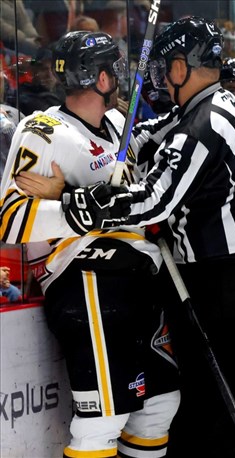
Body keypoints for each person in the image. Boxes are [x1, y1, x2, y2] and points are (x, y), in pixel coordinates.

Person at [40, 17, 235, 456]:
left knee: (228, 411)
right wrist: (105, 149)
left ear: (180, 67)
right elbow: (143, 136)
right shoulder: (211, 104)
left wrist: (74, 200)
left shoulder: (203, 125)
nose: (159, 78)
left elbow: (154, 200)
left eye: (164, 67)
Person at [0, 30, 180, 457]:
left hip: (138, 278)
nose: (119, 76)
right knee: (102, 421)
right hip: (87, 280)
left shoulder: (118, 123)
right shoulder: (43, 131)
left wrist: (72, 195)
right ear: (100, 78)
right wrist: (80, 209)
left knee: (158, 406)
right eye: (115, 69)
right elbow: (10, 219)